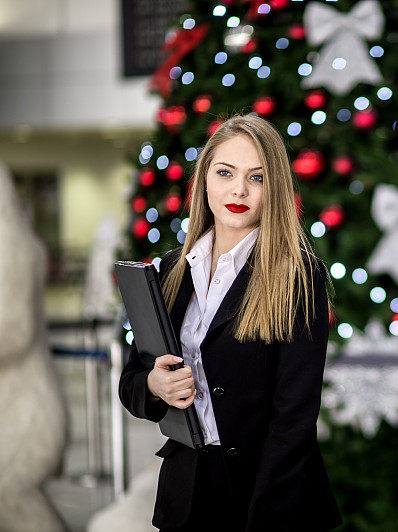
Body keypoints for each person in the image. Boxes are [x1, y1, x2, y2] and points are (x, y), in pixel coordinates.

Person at [118, 113, 343, 531]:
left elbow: (293, 418)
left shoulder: (297, 275)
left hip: (268, 496)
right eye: (226, 173)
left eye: (256, 178)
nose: (239, 190)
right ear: (204, 180)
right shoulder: (171, 270)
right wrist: (154, 385)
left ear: (273, 189)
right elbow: (131, 381)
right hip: (186, 494)